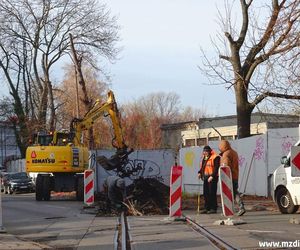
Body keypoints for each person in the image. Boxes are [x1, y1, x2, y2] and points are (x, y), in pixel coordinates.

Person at [218, 140, 246, 216]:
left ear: (223, 146)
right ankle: (229, 210)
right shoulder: (234, 152)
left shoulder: (226, 154)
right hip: (235, 175)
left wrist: (222, 175)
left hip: (229, 177)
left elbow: (225, 167)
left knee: (233, 193)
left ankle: (241, 207)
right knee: (233, 193)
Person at [198, 145, 220, 214]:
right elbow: (203, 167)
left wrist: (212, 176)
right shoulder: (204, 157)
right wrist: (199, 173)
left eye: (206, 151)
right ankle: (207, 208)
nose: (205, 153)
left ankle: (213, 208)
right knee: (206, 193)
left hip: (212, 178)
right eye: (204, 151)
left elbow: (216, 168)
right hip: (206, 177)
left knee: (212, 193)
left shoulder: (215, 157)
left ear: (209, 151)